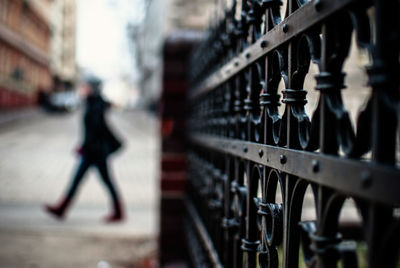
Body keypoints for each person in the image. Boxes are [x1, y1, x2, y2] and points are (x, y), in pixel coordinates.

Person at [44, 76, 124, 223]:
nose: (83, 88)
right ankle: (62, 208)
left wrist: (84, 146)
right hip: (94, 150)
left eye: (85, 86)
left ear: (93, 88)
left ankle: (119, 212)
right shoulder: (92, 103)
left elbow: (95, 130)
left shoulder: (96, 105)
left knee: (100, 181)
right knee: (84, 180)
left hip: (96, 151)